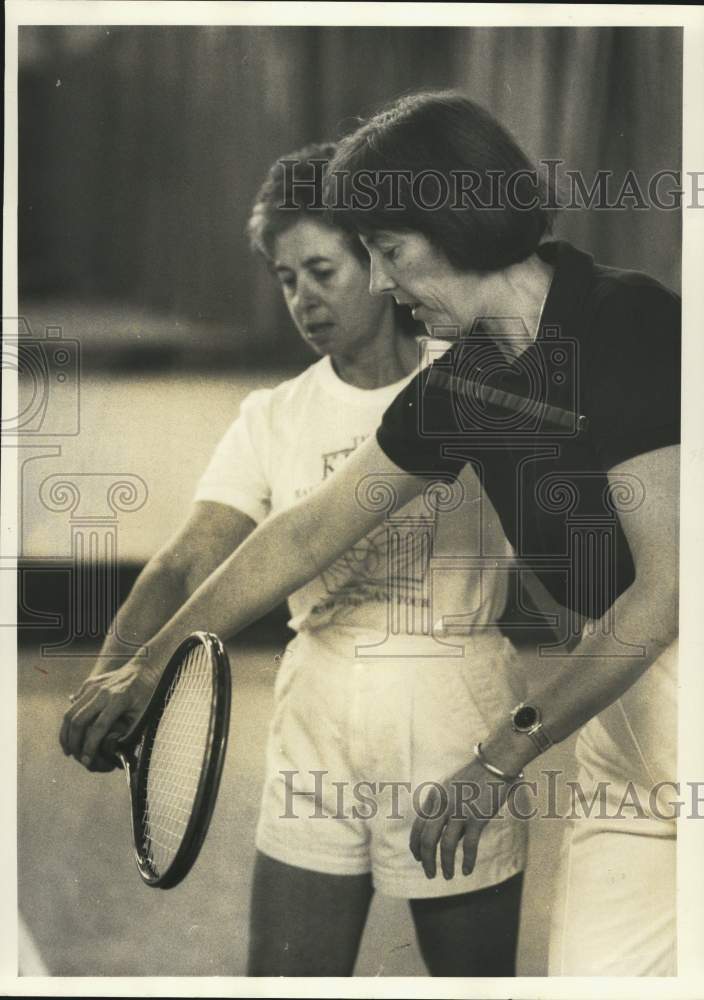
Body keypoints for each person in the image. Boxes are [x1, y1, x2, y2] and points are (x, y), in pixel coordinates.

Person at [61, 92, 680, 976]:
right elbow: (305, 533)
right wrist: (151, 660)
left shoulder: (634, 322)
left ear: (456, 222)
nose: (381, 284)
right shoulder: (462, 383)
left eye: (388, 252)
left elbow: (661, 597)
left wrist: (499, 756)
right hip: (617, 727)